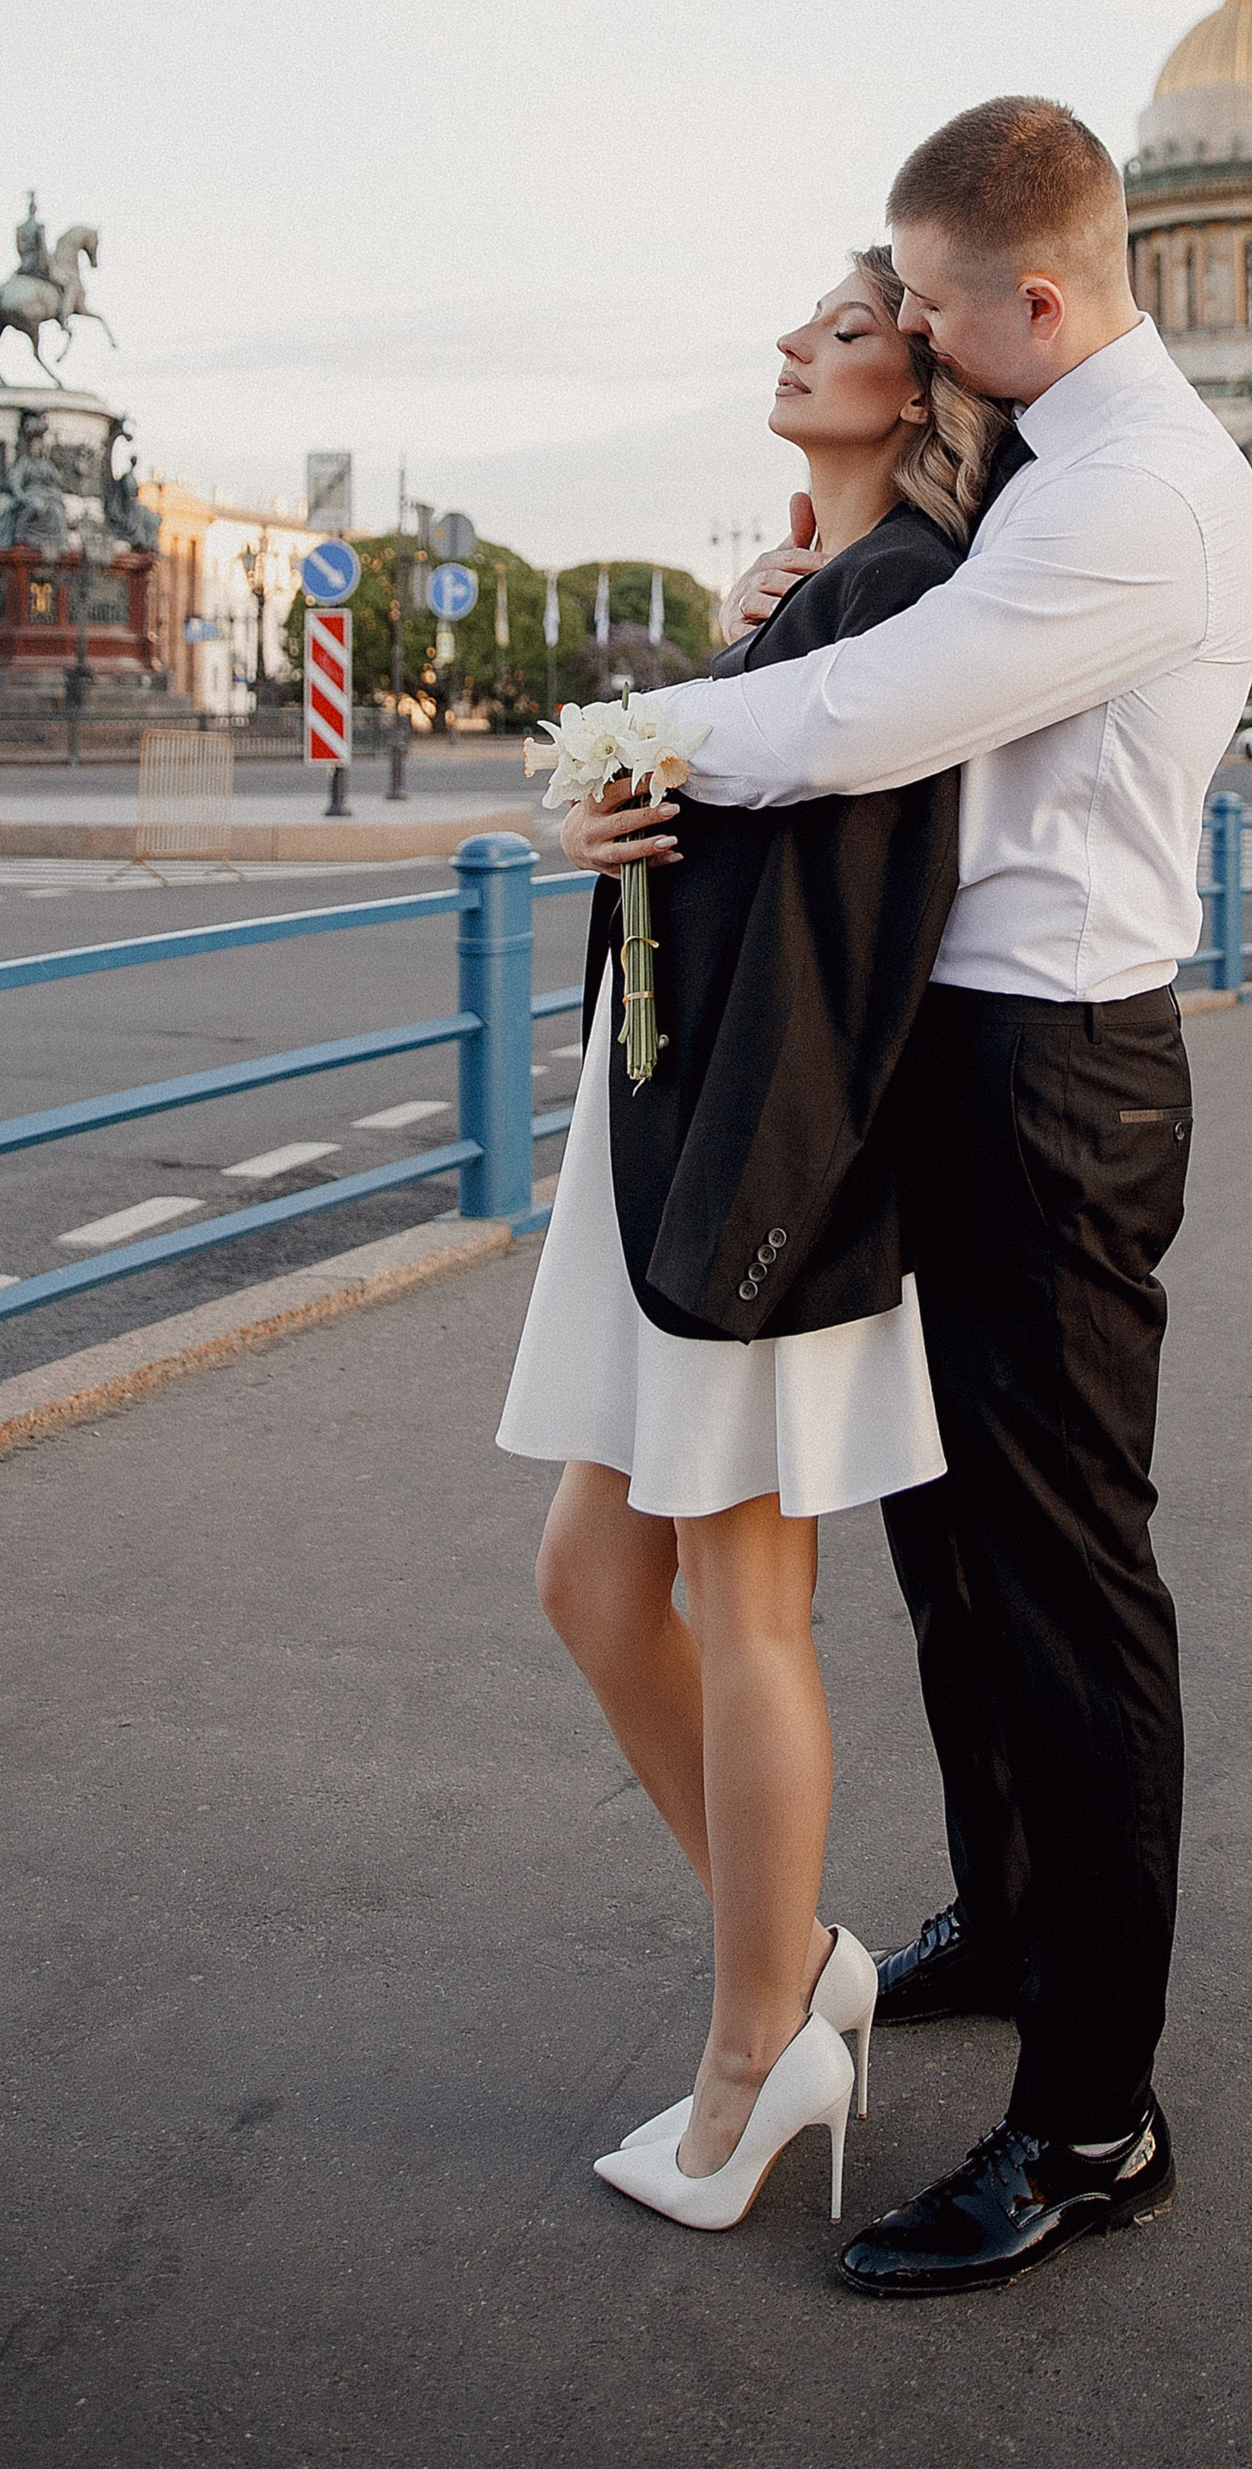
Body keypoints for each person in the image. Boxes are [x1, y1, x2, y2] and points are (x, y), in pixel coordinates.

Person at [628, 96, 1252, 2297]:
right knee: (948, 1557)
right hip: (949, 1057)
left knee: (1068, 1587)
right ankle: (1008, 1919)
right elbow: (856, 632)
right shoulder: (1046, 457)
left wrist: (621, 746)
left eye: (921, 303)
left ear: (1037, 302)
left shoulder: (1145, 500)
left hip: (1052, 1081)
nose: (898, 326)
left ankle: (1093, 2121)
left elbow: (875, 718)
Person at [498, 248, 1010, 2233]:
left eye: (845, 331)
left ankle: (751, 2054)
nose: (793, 347)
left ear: (919, 387)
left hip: (763, 1153)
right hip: (669, 1128)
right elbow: (690, 837)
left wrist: (668, 746)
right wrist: (606, 804)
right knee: (589, 1586)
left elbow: (833, 921)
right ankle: (793, 1967)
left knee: (745, 1603)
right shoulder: (819, 595)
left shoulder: (899, 602)